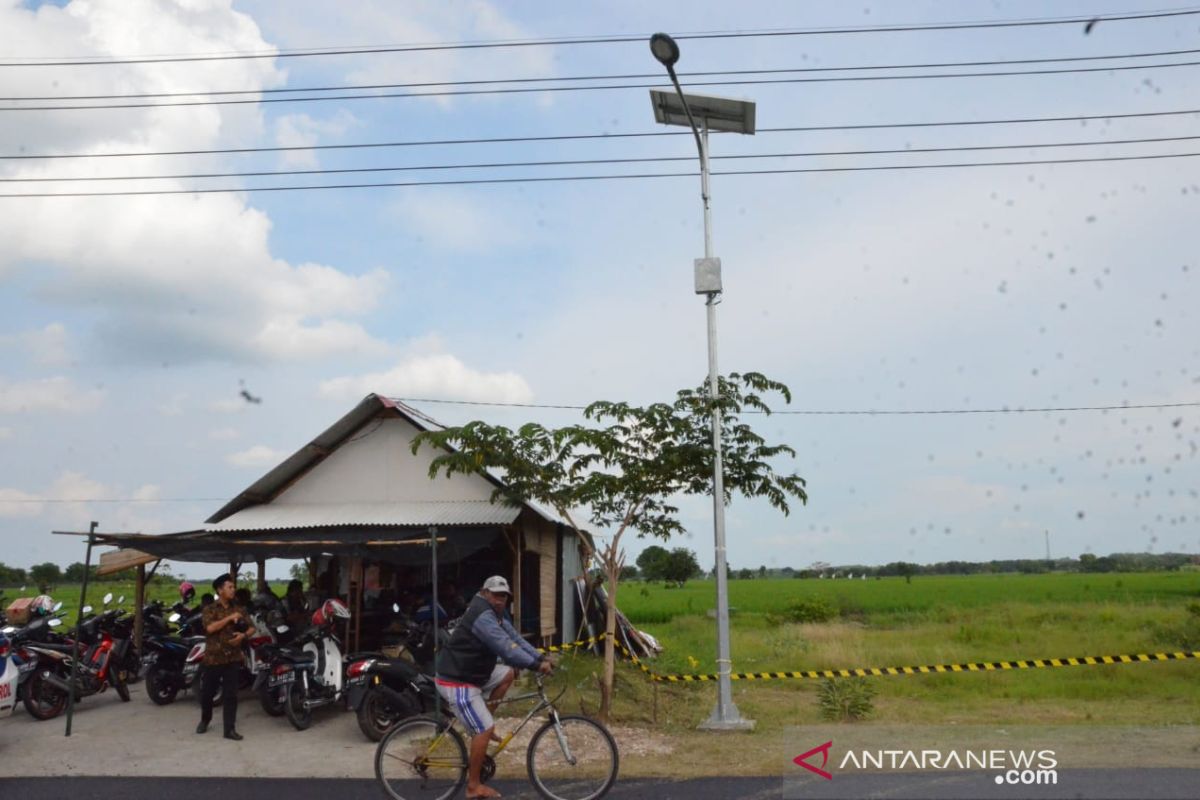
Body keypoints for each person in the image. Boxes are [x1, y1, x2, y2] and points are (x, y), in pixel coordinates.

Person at [435, 576, 553, 800]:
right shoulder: (483, 616)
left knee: (507, 673)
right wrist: (537, 665)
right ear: (484, 593)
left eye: (504, 596)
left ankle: (481, 725)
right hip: (457, 679)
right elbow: (506, 648)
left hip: (472, 674)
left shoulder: (495, 614)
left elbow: (514, 637)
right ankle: (473, 786)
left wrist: (540, 655)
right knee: (484, 729)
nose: (500, 600)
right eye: (496, 595)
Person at [197, 574, 254, 740]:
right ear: (219, 590)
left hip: (233, 658)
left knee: (231, 695)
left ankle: (229, 729)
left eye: (233, 587)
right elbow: (210, 628)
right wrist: (229, 618)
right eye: (229, 587)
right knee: (207, 694)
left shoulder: (239, 608)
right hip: (213, 658)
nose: (233, 590)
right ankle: (205, 720)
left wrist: (243, 636)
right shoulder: (210, 609)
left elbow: (252, 628)